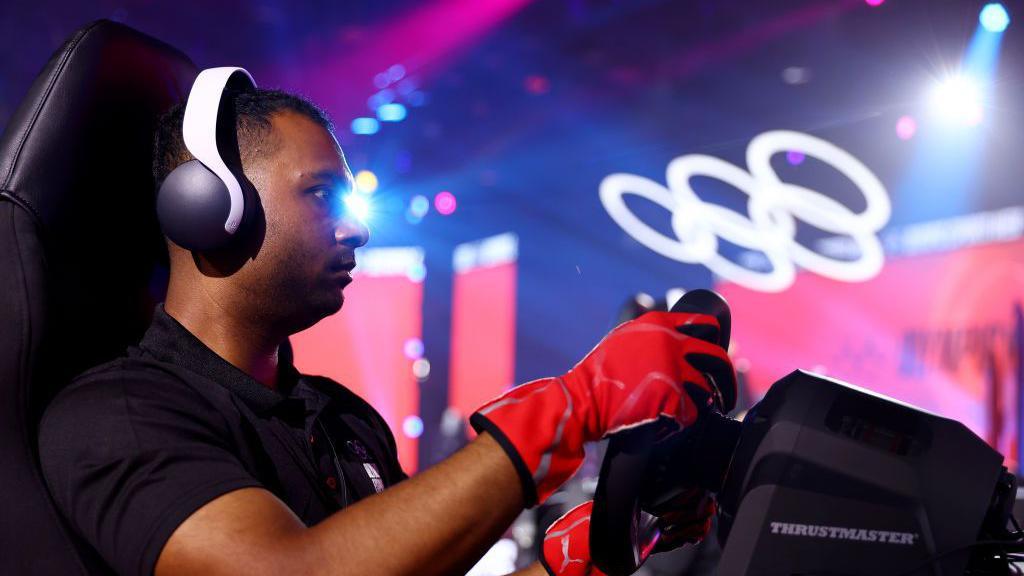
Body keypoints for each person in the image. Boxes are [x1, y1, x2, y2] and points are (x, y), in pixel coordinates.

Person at [38, 79, 735, 576]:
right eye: (321, 195)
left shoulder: (342, 419)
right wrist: (574, 404)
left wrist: (581, 556)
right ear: (205, 208)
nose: (357, 227)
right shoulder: (118, 414)